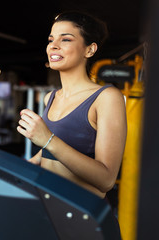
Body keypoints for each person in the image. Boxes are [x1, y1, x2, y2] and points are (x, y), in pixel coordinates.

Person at [17, 11, 127, 200]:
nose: (54, 46)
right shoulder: (50, 98)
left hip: (82, 220)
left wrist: (48, 139)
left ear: (89, 50)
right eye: (51, 40)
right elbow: (48, 155)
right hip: (47, 211)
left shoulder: (106, 98)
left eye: (65, 40)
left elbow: (107, 179)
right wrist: (25, 165)